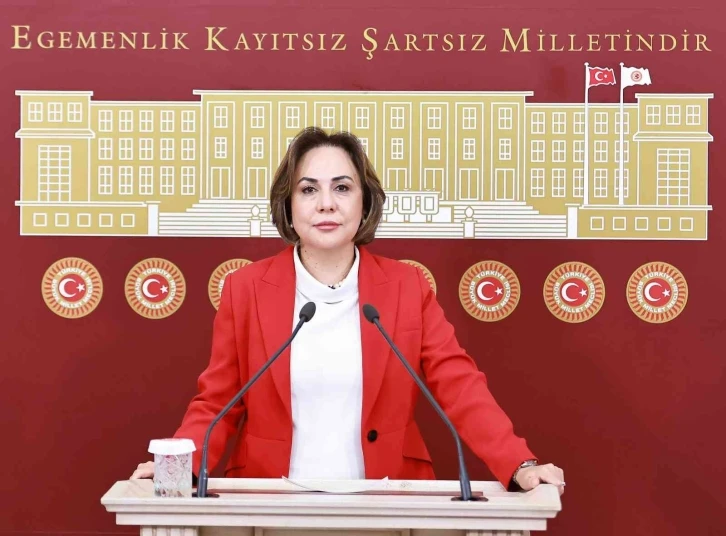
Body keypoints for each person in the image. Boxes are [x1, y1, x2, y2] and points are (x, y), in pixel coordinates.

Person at [131, 127, 565, 494]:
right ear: (288, 205)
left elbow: (459, 386)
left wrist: (519, 464)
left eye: (342, 187)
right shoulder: (245, 289)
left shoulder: (407, 287)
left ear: (364, 202)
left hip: (387, 499)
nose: (326, 203)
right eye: (308, 189)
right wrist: (176, 467)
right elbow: (218, 401)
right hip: (270, 500)